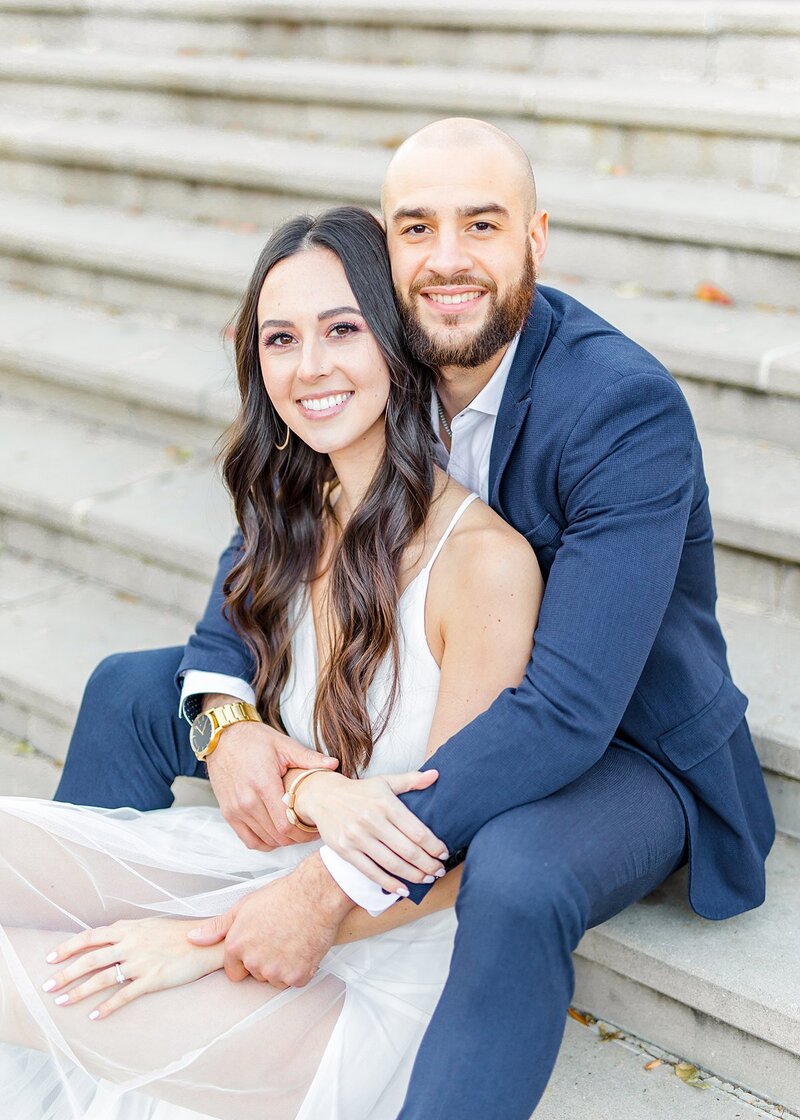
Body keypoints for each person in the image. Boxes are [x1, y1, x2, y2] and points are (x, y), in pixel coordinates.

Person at [48, 119, 774, 1120]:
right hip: (415, 668)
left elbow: (561, 711)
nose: (445, 260)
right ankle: (88, 979)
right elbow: (259, 549)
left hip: (622, 739)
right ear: (383, 244)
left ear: (534, 238)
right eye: (415, 227)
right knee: (135, 689)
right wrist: (228, 724)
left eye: (480, 225)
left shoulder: (619, 410)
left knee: (514, 869)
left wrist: (326, 875)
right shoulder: (379, 346)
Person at [0, 204, 544, 1117]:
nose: (310, 367)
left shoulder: (484, 564)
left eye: (342, 330)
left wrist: (194, 944)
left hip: (377, 948)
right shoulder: (294, 504)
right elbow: (220, 670)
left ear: (400, 339)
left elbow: (456, 850)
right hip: (255, 869)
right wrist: (278, 772)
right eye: (280, 339)